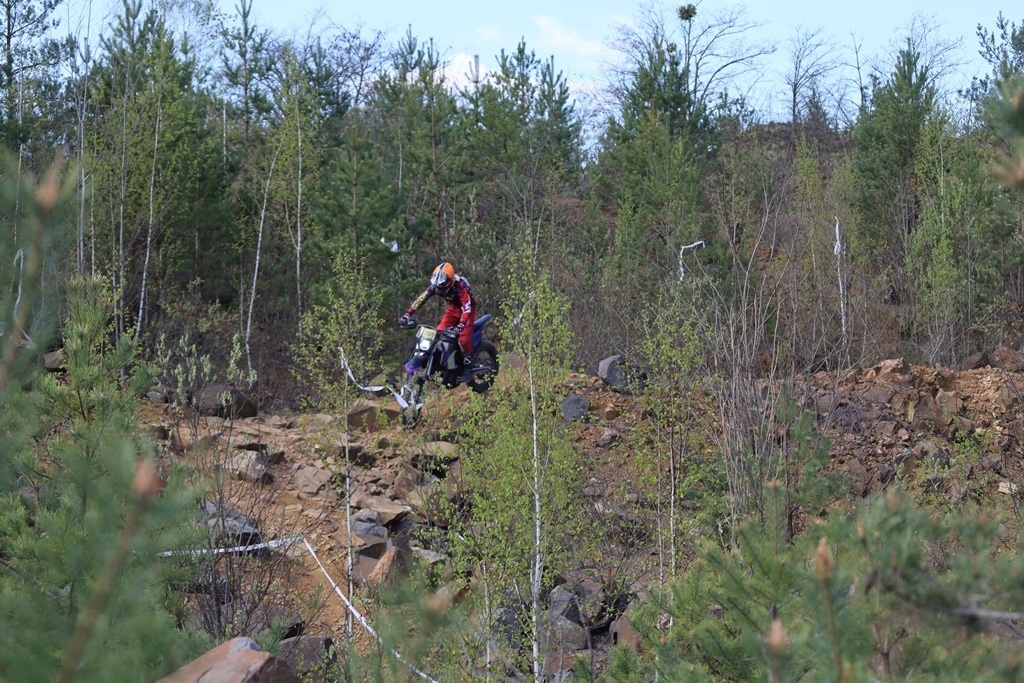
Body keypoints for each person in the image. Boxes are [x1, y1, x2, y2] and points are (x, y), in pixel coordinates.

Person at [400, 262, 476, 381]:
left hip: (466, 311)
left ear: (450, 281)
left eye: (443, 285)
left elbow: (467, 307)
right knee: (438, 333)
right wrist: (407, 314)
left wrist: (462, 324)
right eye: (438, 286)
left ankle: (468, 368)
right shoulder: (436, 285)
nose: (440, 289)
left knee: (464, 339)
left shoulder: (460, 286)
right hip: (452, 310)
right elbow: (421, 299)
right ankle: (441, 362)